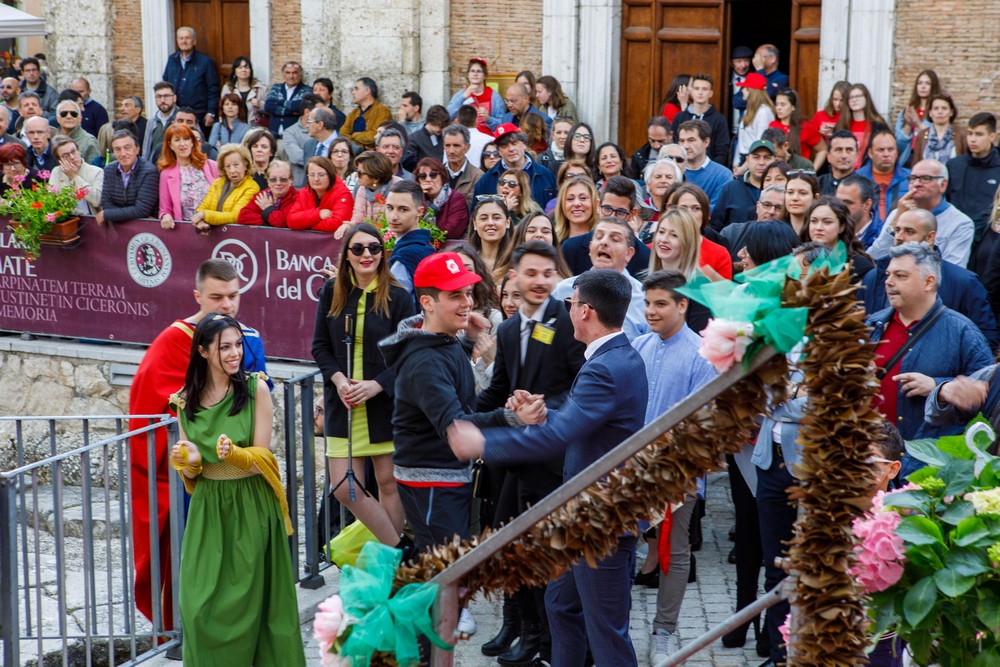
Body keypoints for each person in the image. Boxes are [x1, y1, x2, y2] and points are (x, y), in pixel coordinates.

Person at [447, 268, 649, 667]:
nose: (567, 309)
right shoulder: (616, 357)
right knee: (560, 605)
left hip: (600, 520)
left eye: (570, 303)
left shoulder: (605, 367)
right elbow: (578, 424)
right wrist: (541, 416)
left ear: (585, 311)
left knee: (606, 632)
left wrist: (484, 443)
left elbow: (561, 436)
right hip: (584, 515)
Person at [128, 259, 268, 629]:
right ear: (197, 296)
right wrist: (188, 451)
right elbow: (149, 412)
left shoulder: (249, 340)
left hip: (244, 476)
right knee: (201, 563)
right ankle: (192, 631)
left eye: (233, 295)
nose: (227, 304)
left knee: (244, 569)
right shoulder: (174, 340)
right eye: (217, 297)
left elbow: (258, 408)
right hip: (197, 480)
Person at [378, 252, 542, 552]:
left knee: (449, 568)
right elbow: (456, 423)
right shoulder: (425, 361)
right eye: (455, 295)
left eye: (468, 292)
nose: (467, 302)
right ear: (427, 303)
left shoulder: (443, 338)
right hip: (433, 482)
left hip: (443, 476)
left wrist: (467, 341)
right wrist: (513, 418)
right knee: (446, 571)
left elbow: (455, 386)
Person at [169, 314, 303, 666]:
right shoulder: (184, 401)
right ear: (202, 351)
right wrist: (189, 460)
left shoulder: (257, 389)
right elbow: (193, 470)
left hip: (251, 506)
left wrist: (236, 455)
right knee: (197, 608)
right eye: (224, 347)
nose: (235, 354)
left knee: (251, 609)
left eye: (238, 345)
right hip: (208, 511)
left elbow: (263, 459)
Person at [476, 241, 587, 663]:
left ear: (556, 277)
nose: (540, 281)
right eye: (532, 273)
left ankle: (552, 642)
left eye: (547, 273)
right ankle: (531, 631)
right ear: (515, 277)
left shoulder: (569, 323)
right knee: (508, 546)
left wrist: (543, 407)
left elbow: (582, 387)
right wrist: (458, 418)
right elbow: (497, 390)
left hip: (556, 461)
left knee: (550, 555)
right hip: (519, 460)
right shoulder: (507, 331)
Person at [312, 222, 415, 549]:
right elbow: (319, 347)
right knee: (344, 487)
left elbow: (408, 354)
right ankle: (400, 550)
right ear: (346, 255)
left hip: (383, 404)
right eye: (357, 248)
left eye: (373, 247)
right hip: (342, 402)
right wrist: (339, 380)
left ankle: (388, 563)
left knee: (388, 484)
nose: (366, 254)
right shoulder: (331, 291)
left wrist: (377, 385)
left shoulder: (399, 297)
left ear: (382, 253)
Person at [634, 270, 717, 663]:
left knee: (674, 551)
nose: (651, 311)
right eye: (648, 303)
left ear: (683, 305)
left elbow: (702, 425)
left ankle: (664, 631)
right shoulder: (638, 346)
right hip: (630, 471)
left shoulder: (702, 355)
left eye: (661, 304)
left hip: (676, 475)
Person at [867, 242, 992, 477]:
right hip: (869, 464)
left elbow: (987, 403)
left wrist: (938, 387)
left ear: (929, 282)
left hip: (923, 470)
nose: (888, 282)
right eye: (888, 275)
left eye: (900, 276)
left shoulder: (963, 332)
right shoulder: (873, 324)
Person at [861, 208, 998, 348]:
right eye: (897, 230)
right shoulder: (874, 277)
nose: (899, 237)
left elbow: (985, 342)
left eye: (909, 232)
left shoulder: (963, 282)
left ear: (930, 238)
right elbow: (859, 330)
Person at [553, 218, 649, 339]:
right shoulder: (562, 290)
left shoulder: (643, 299)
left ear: (629, 253)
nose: (604, 242)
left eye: (615, 239)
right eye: (599, 237)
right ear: (590, 247)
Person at [868, 159, 975, 267]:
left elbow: (953, 270)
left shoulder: (960, 223)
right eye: (913, 178)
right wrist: (895, 223)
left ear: (943, 185)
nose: (916, 184)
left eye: (925, 179)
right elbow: (872, 260)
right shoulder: (898, 213)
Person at [561, 176, 652, 278]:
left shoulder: (645, 256)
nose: (612, 216)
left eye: (620, 212)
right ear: (598, 206)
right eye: (607, 209)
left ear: (632, 214)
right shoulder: (571, 249)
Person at [946, 113, 1000, 242]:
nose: (972, 139)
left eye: (979, 134)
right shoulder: (954, 166)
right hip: (957, 234)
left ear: (992, 136)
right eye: (970, 134)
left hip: (989, 238)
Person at [474, 123, 557, 206]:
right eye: (504, 145)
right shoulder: (486, 180)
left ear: (524, 144)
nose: (511, 149)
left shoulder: (545, 175)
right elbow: (477, 211)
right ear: (499, 151)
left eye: (514, 143)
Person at [651, 205, 732, 290]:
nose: (664, 239)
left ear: (688, 242)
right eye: (661, 232)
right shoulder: (644, 275)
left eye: (674, 235)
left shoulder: (700, 285)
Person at [156, 123, 217, 229]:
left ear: (192, 142)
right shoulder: (166, 174)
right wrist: (166, 216)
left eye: (186, 139)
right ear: (170, 145)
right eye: (177, 140)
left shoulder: (211, 165)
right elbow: (165, 209)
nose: (182, 144)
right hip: (185, 230)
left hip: (215, 228)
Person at [799, 196, 874, 282]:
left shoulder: (858, 266)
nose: (818, 227)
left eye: (827, 222)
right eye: (814, 221)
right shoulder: (800, 260)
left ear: (842, 227)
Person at [162, 27, 219, 133]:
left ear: (194, 41)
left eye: (187, 38)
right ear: (177, 41)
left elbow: (213, 89)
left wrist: (211, 112)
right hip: (176, 114)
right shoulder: (172, 60)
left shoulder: (205, 62)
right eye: (181, 38)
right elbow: (165, 84)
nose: (184, 41)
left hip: (199, 115)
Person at [191, 143, 259, 232]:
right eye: (228, 166)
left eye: (236, 165)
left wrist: (204, 215)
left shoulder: (252, 187)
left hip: (236, 235)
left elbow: (235, 216)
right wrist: (201, 222)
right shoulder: (217, 183)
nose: (232, 170)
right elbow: (203, 207)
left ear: (245, 165)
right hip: (213, 235)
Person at [98, 130, 158, 225]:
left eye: (127, 148)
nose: (123, 153)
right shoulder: (109, 170)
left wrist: (109, 214)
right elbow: (106, 204)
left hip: (145, 227)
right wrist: (120, 214)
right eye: (118, 149)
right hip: (118, 226)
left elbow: (142, 210)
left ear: (137, 149)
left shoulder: (149, 171)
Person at [712, 139, 773, 230]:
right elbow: (716, 225)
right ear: (747, 160)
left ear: (775, 160)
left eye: (767, 158)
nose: (761, 162)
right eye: (756, 157)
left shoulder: (781, 190)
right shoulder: (731, 189)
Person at [670, 73, 730, 166]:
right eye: (696, 88)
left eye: (704, 89)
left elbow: (722, 150)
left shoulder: (719, 119)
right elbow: (674, 144)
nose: (700, 92)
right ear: (691, 91)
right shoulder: (680, 117)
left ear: (710, 93)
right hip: (683, 168)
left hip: (710, 170)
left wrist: (713, 170)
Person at [283, 155, 353, 232]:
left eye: (321, 175)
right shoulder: (304, 193)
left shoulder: (343, 194)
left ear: (330, 175)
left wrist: (306, 225)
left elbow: (337, 223)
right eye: (312, 175)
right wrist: (318, 214)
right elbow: (291, 221)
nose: (316, 179)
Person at [722, 184, 787, 263]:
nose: (771, 211)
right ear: (757, 207)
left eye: (779, 208)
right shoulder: (732, 233)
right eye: (767, 205)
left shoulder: (788, 240)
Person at [675, 119, 732, 208]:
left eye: (691, 140)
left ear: (706, 142)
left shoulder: (722, 175)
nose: (685, 146)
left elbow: (717, 210)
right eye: (682, 141)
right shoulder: (672, 171)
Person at [770, 88, 826, 170]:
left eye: (783, 104)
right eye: (777, 104)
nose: (778, 108)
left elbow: (822, 149)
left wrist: (813, 170)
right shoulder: (773, 125)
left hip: (799, 171)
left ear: (793, 107)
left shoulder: (806, 127)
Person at [894, 69, 941, 167]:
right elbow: (899, 145)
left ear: (933, 86)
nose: (923, 86)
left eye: (927, 83)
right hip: (907, 159)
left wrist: (918, 123)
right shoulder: (906, 111)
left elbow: (938, 139)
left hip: (928, 160)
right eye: (919, 83)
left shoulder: (938, 112)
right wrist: (908, 125)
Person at [447, 57, 505, 134]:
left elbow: (502, 125)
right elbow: (447, 117)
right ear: (468, 75)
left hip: (487, 138)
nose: (475, 74)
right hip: (464, 137)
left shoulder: (495, 97)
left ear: (484, 76)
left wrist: (488, 119)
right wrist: (463, 97)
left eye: (479, 71)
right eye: (472, 71)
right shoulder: (460, 94)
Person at [47, 136, 103, 214]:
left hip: (91, 219)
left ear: (79, 151)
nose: (72, 157)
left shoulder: (96, 172)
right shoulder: (56, 172)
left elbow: (97, 201)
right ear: (59, 160)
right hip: (67, 218)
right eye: (66, 156)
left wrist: (75, 177)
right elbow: (51, 202)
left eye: (73, 151)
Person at [415, 156, 468, 240]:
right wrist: (420, 198)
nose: (428, 179)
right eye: (422, 176)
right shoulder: (416, 200)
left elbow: (451, 232)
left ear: (442, 177)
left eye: (433, 175)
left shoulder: (456, 198)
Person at [835, 83, 886, 168]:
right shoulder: (841, 125)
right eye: (851, 97)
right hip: (845, 171)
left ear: (866, 99)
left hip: (869, 171)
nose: (854, 100)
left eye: (858, 96)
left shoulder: (879, 125)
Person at [346, 150, 400, 227]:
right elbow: (358, 216)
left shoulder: (398, 189)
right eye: (357, 171)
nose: (356, 176)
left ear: (375, 178)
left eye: (360, 173)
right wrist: (349, 225)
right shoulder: (362, 188)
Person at [237, 159, 298, 227]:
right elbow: (243, 217)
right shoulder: (262, 195)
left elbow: (282, 222)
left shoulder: (297, 198)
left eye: (283, 179)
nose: (278, 183)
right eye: (273, 179)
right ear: (268, 181)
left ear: (290, 180)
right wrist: (269, 221)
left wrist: (268, 208)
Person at [734, 73, 776, 168]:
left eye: (745, 88)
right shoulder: (748, 110)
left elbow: (760, 142)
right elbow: (741, 139)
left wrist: (744, 167)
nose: (742, 91)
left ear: (752, 91)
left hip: (755, 160)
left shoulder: (763, 112)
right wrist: (736, 163)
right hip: (745, 158)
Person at [282, 93, 324, 188]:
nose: (323, 115)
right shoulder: (290, 132)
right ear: (307, 112)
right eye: (319, 112)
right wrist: (323, 160)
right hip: (299, 186)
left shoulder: (323, 129)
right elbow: (297, 157)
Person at [467, 195, 515, 277]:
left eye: (496, 218)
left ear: (507, 222)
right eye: (483, 218)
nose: (490, 223)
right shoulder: (467, 261)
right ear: (475, 224)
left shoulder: (517, 260)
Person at [911, 94, 965, 166]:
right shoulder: (922, 135)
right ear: (930, 113)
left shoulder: (961, 135)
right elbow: (916, 164)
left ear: (951, 112)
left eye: (944, 108)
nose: (940, 112)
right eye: (936, 108)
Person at [340, 77, 391, 150]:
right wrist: (360, 146)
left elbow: (375, 136)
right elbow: (343, 133)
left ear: (367, 91)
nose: (353, 92)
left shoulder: (382, 111)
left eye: (356, 89)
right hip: (353, 152)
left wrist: (354, 135)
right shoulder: (354, 113)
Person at [263, 61, 310, 138]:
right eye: (288, 73)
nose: (291, 76)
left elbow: (299, 107)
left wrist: (279, 101)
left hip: (295, 137)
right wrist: (291, 111)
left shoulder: (307, 90)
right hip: (274, 136)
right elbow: (268, 106)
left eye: (294, 73)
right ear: (283, 75)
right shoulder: (276, 87)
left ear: (300, 75)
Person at [442, 124, 483, 208]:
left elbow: (473, 207)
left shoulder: (477, 176)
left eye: (456, 146)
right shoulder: (435, 173)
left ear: (467, 147)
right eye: (448, 145)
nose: (451, 151)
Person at [836, 173, 880, 248]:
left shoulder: (881, 235)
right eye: (837, 201)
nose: (839, 207)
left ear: (867, 205)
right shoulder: (830, 230)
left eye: (847, 202)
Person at [221, 56, 265, 127]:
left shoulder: (260, 88)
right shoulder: (228, 88)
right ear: (235, 71)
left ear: (250, 70)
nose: (243, 70)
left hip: (254, 129)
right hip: (234, 128)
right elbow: (222, 109)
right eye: (240, 67)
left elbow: (269, 109)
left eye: (246, 67)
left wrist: (260, 104)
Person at [402, 104, 449, 169]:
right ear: (429, 121)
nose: (442, 129)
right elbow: (410, 165)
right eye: (440, 126)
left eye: (444, 127)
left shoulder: (443, 137)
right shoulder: (414, 139)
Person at [142, 82, 179, 161]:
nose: (162, 100)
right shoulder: (151, 122)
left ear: (174, 98)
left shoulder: (183, 118)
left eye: (166, 96)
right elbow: (146, 150)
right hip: (155, 165)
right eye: (159, 96)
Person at [629, 117, 672, 184]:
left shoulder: (682, 154)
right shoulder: (638, 157)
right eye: (652, 140)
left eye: (661, 141)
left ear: (670, 135)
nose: (656, 146)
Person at [819, 130, 858, 195]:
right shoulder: (817, 185)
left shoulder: (868, 187)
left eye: (849, 150)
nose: (844, 156)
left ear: (857, 156)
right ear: (828, 156)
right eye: (838, 150)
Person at [783, 170, 820, 236]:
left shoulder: (819, 231)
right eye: (790, 192)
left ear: (815, 198)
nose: (795, 198)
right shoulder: (775, 230)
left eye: (802, 193)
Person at [727, 47, 752, 133]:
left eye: (746, 61)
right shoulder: (725, 79)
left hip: (747, 130)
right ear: (731, 63)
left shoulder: (754, 79)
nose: (743, 65)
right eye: (739, 61)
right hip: (729, 130)